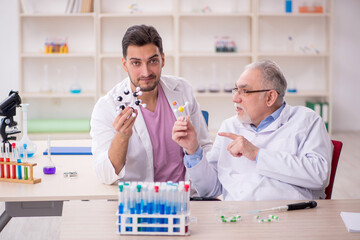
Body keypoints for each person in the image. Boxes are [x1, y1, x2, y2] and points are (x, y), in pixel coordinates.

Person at [172, 59, 333, 200]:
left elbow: (319, 175)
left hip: (292, 218)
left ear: (270, 97)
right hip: (238, 220)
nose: (235, 98)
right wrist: (193, 150)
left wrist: (257, 154)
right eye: (236, 90)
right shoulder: (230, 126)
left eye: (245, 91)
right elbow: (210, 189)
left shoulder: (307, 120)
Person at [90, 24, 212, 185]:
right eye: (136, 63)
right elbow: (105, 175)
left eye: (153, 61)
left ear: (163, 60)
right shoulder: (107, 106)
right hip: (140, 203)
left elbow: (205, 147)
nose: (146, 72)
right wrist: (122, 137)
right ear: (124, 64)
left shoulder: (182, 89)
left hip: (186, 198)